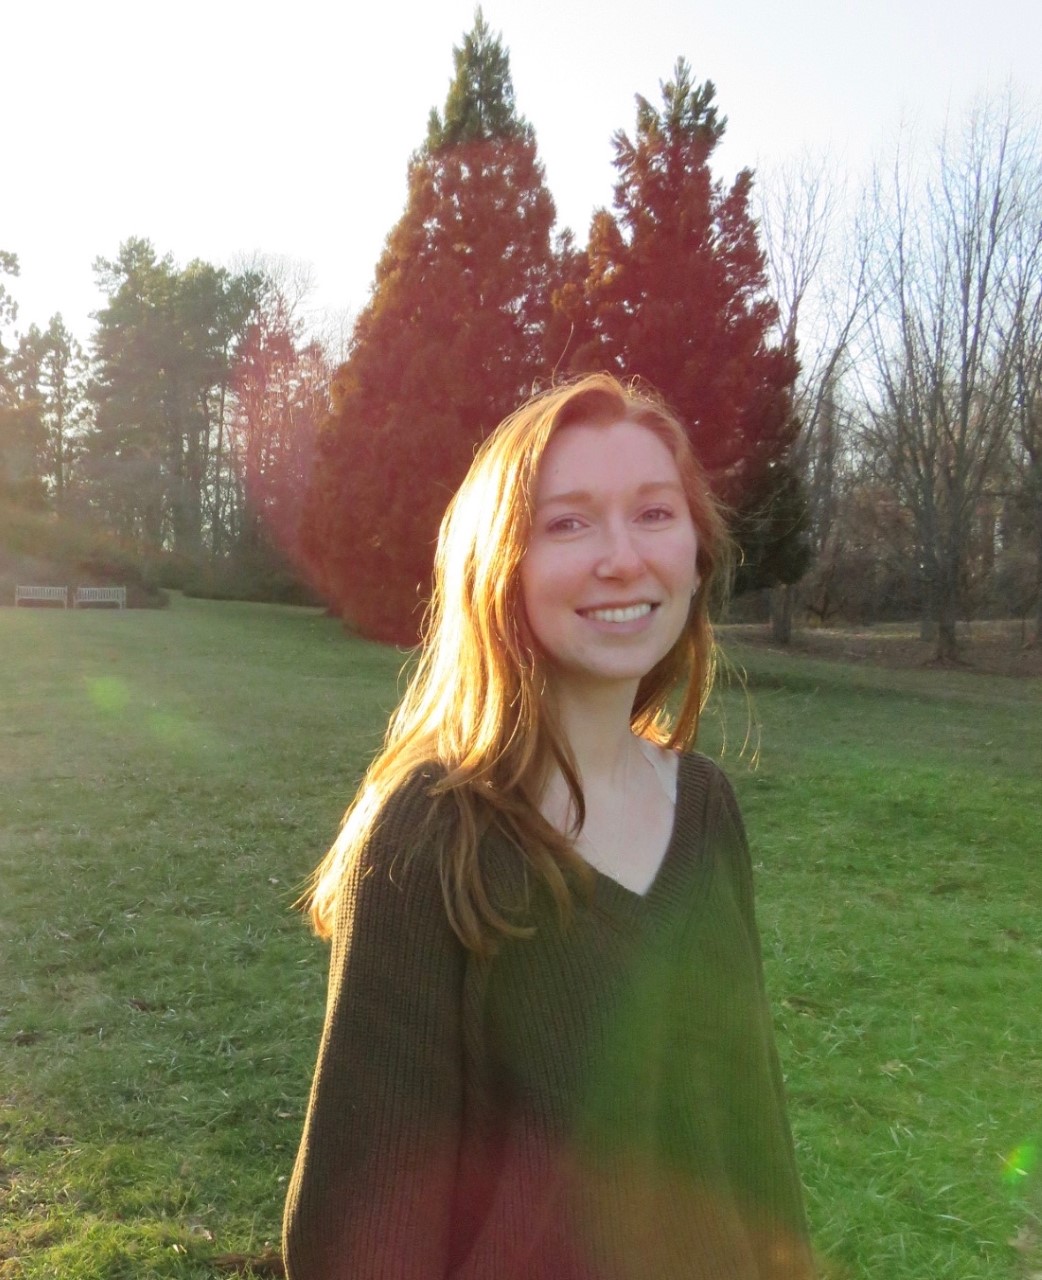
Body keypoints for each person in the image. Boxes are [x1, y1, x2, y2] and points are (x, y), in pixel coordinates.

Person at [283, 373, 814, 1279]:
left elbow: (751, 1123)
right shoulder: (431, 834)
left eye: (654, 514)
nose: (621, 558)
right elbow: (360, 1232)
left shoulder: (710, 808)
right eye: (567, 522)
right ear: (502, 563)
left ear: (695, 553)